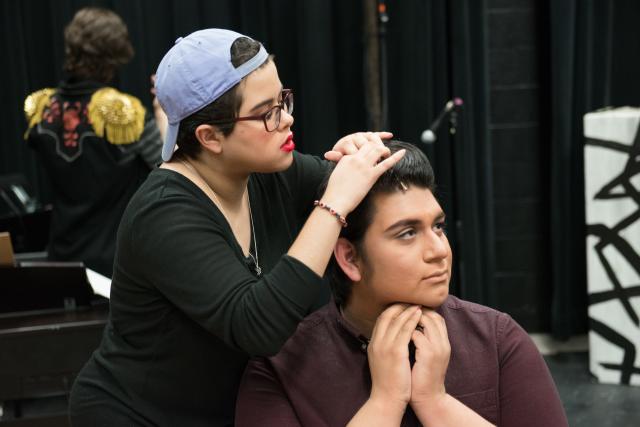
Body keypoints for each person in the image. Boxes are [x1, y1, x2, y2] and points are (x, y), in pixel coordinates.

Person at [68, 28, 405, 426]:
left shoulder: (266, 169)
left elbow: (370, 189)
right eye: (268, 112)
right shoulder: (163, 212)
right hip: (138, 416)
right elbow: (257, 326)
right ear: (210, 137)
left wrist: (363, 157)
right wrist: (332, 206)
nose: (287, 119)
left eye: (284, 100)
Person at [236, 141, 569, 427]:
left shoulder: (497, 339)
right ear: (350, 258)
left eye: (438, 227)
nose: (440, 251)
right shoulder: (279, 368)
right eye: (408, 233)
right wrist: (385, 402)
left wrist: (436, 403)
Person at [23, 7, 164, 277]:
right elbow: (166, 169)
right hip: (115, 265)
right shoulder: (124, 112)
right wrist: (162, 112)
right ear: (115, 56)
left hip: (61, 261)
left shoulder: (41, 107)